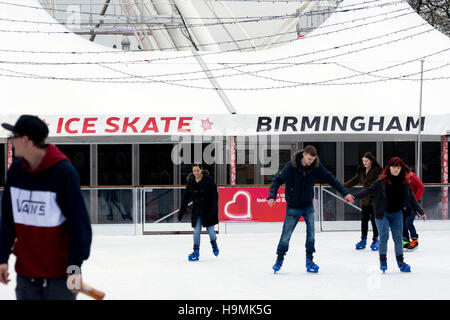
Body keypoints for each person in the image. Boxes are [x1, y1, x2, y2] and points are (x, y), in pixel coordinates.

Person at [0, 115, 92, 300]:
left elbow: (79, 226)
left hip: (60, 280)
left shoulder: (63, 173)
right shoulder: (16, 172)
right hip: (27, 279)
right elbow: (8, 219)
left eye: (13, 136)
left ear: (26, 140)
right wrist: (2, 257)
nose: (11, 141)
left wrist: (75, 267)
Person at [267, 145, 354, 273]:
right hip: (293, 206)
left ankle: (309, 260)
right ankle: (279, 259)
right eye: (309, 159)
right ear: (303, 155)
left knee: (311, 234)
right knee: (286, 235)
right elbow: (277, 180)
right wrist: (272, 196)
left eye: (312, 160)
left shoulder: (316, 167)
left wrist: (345, 193)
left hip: (307, 205)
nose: (310, 162)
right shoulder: (291, 166)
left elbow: (331, 179)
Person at [350, 157, 427, 273]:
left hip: (397, 214)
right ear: (389, 168)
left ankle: (401, 262)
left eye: (398, 167)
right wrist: (355, 197)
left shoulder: (404, 182)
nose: (396, 169)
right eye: (393, 167)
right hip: (382, 214)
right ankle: (383, 261)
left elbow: (411, 198)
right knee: (384, 236)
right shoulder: (382, 181)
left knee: (398, 239)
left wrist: (421, 212)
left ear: (401, 168)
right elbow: (369, 190)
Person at [178, 164, 219, 261]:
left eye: (197, 170)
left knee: (211, 232)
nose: (196, 172)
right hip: (197, 211)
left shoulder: (209, 180)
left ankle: (214, 244)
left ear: (201, 170)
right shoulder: (191, 182)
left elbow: (214, 195)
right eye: (194, 170)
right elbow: (185, 198)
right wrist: (181, 212)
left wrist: (213, 208)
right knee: (196, 231)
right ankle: (196, 251)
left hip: (208, 211)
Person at [344, 152, 382, 251]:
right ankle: (363, 240)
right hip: (365, 199)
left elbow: (378, 184)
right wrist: (342, 186)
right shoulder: (361, 171)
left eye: (366, 161)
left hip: (375, 199)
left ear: (371, 161)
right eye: (363, 161)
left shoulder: (378, 170)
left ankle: (376, 240)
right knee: (364, 220)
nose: (364, 163)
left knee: (374, 220)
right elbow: (355, 180)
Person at [402, 171, 424, 250]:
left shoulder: (412, 175)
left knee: (409, 222)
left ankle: (414, 239)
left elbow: (421, 187)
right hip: (404, 204)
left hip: (412, 203)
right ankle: (405, 240)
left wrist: (416, 200)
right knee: (403, 222)